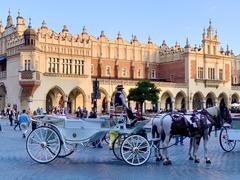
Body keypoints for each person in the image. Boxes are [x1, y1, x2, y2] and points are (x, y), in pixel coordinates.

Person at [109, 85, 127, 150]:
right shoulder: (121, 95)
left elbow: (113, 103)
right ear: (121, 89)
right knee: (129, 112)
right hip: (120, 109)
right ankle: (130, 122)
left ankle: (115, 143)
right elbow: (124, 103)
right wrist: (126, 108)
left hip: (116, 109)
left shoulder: (115, 95)